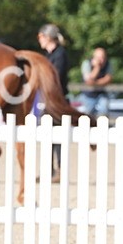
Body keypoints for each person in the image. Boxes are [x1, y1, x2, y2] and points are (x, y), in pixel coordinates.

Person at [37, 23, 70, 181]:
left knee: (58, 137)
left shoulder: (60, 55)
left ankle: (60, 170)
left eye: (41, 37)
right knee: (47, 136)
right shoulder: (49, 55)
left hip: (58, 101)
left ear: (47, 37)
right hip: (48, 100)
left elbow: (55, 77)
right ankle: (48, 170)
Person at [81, 47, 115, 115]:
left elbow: (108, 79)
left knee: (104, 112)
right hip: (89, 95)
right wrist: (97, 67)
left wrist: (95, 83)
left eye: (103, 58)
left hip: (102, 93)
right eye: (98, 58)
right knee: (88, 114)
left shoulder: (108, 64)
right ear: (93, 57)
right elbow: (88, 80)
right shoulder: (86, 63)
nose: (101, 60)